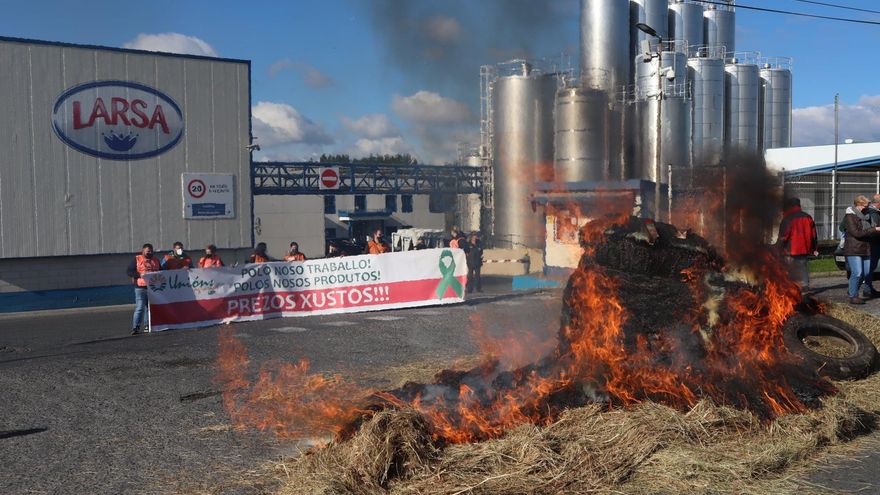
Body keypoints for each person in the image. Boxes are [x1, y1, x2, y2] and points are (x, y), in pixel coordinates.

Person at [842, 196, 880, 305]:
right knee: (857, 272)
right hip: (854, 248)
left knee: (866, 273)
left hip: (865, 247)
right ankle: (853, 295)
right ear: (859, 204)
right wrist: (874, 229)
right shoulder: (850, 216)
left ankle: (852, 289)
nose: (868, 207)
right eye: (866, 205)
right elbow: (856, 233)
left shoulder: (866, 216)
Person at [777, 197, 817, 293]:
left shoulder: (788, 218)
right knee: (803, 267)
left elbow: (784, 235)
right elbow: (814, 235)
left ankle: (789, 287)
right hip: (804, 248)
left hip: (791, 249)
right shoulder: (808, 217)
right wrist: (814, 248)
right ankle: (805, 286)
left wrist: (779, 246)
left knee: (789, 268)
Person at [126, 243, 161, 335]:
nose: (150, 253)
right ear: (143, 251)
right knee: (140, 307)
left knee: (149, 308)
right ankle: (135, 327)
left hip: (153, 288)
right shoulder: (137, 259)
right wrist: (139, 275)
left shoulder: (156, 260)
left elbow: (161, 272)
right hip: (140, 287)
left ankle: (147, 325)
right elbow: (129, 271)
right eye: (148, 251)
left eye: (151, 251)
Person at [864, 194, 880, 298]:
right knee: (870, 267)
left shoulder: (871, 212)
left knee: (870, 267)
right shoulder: (873, 213)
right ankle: (867, 289)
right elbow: (874, 230)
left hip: (873, 243)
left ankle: (868, 288)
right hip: (874, 244)